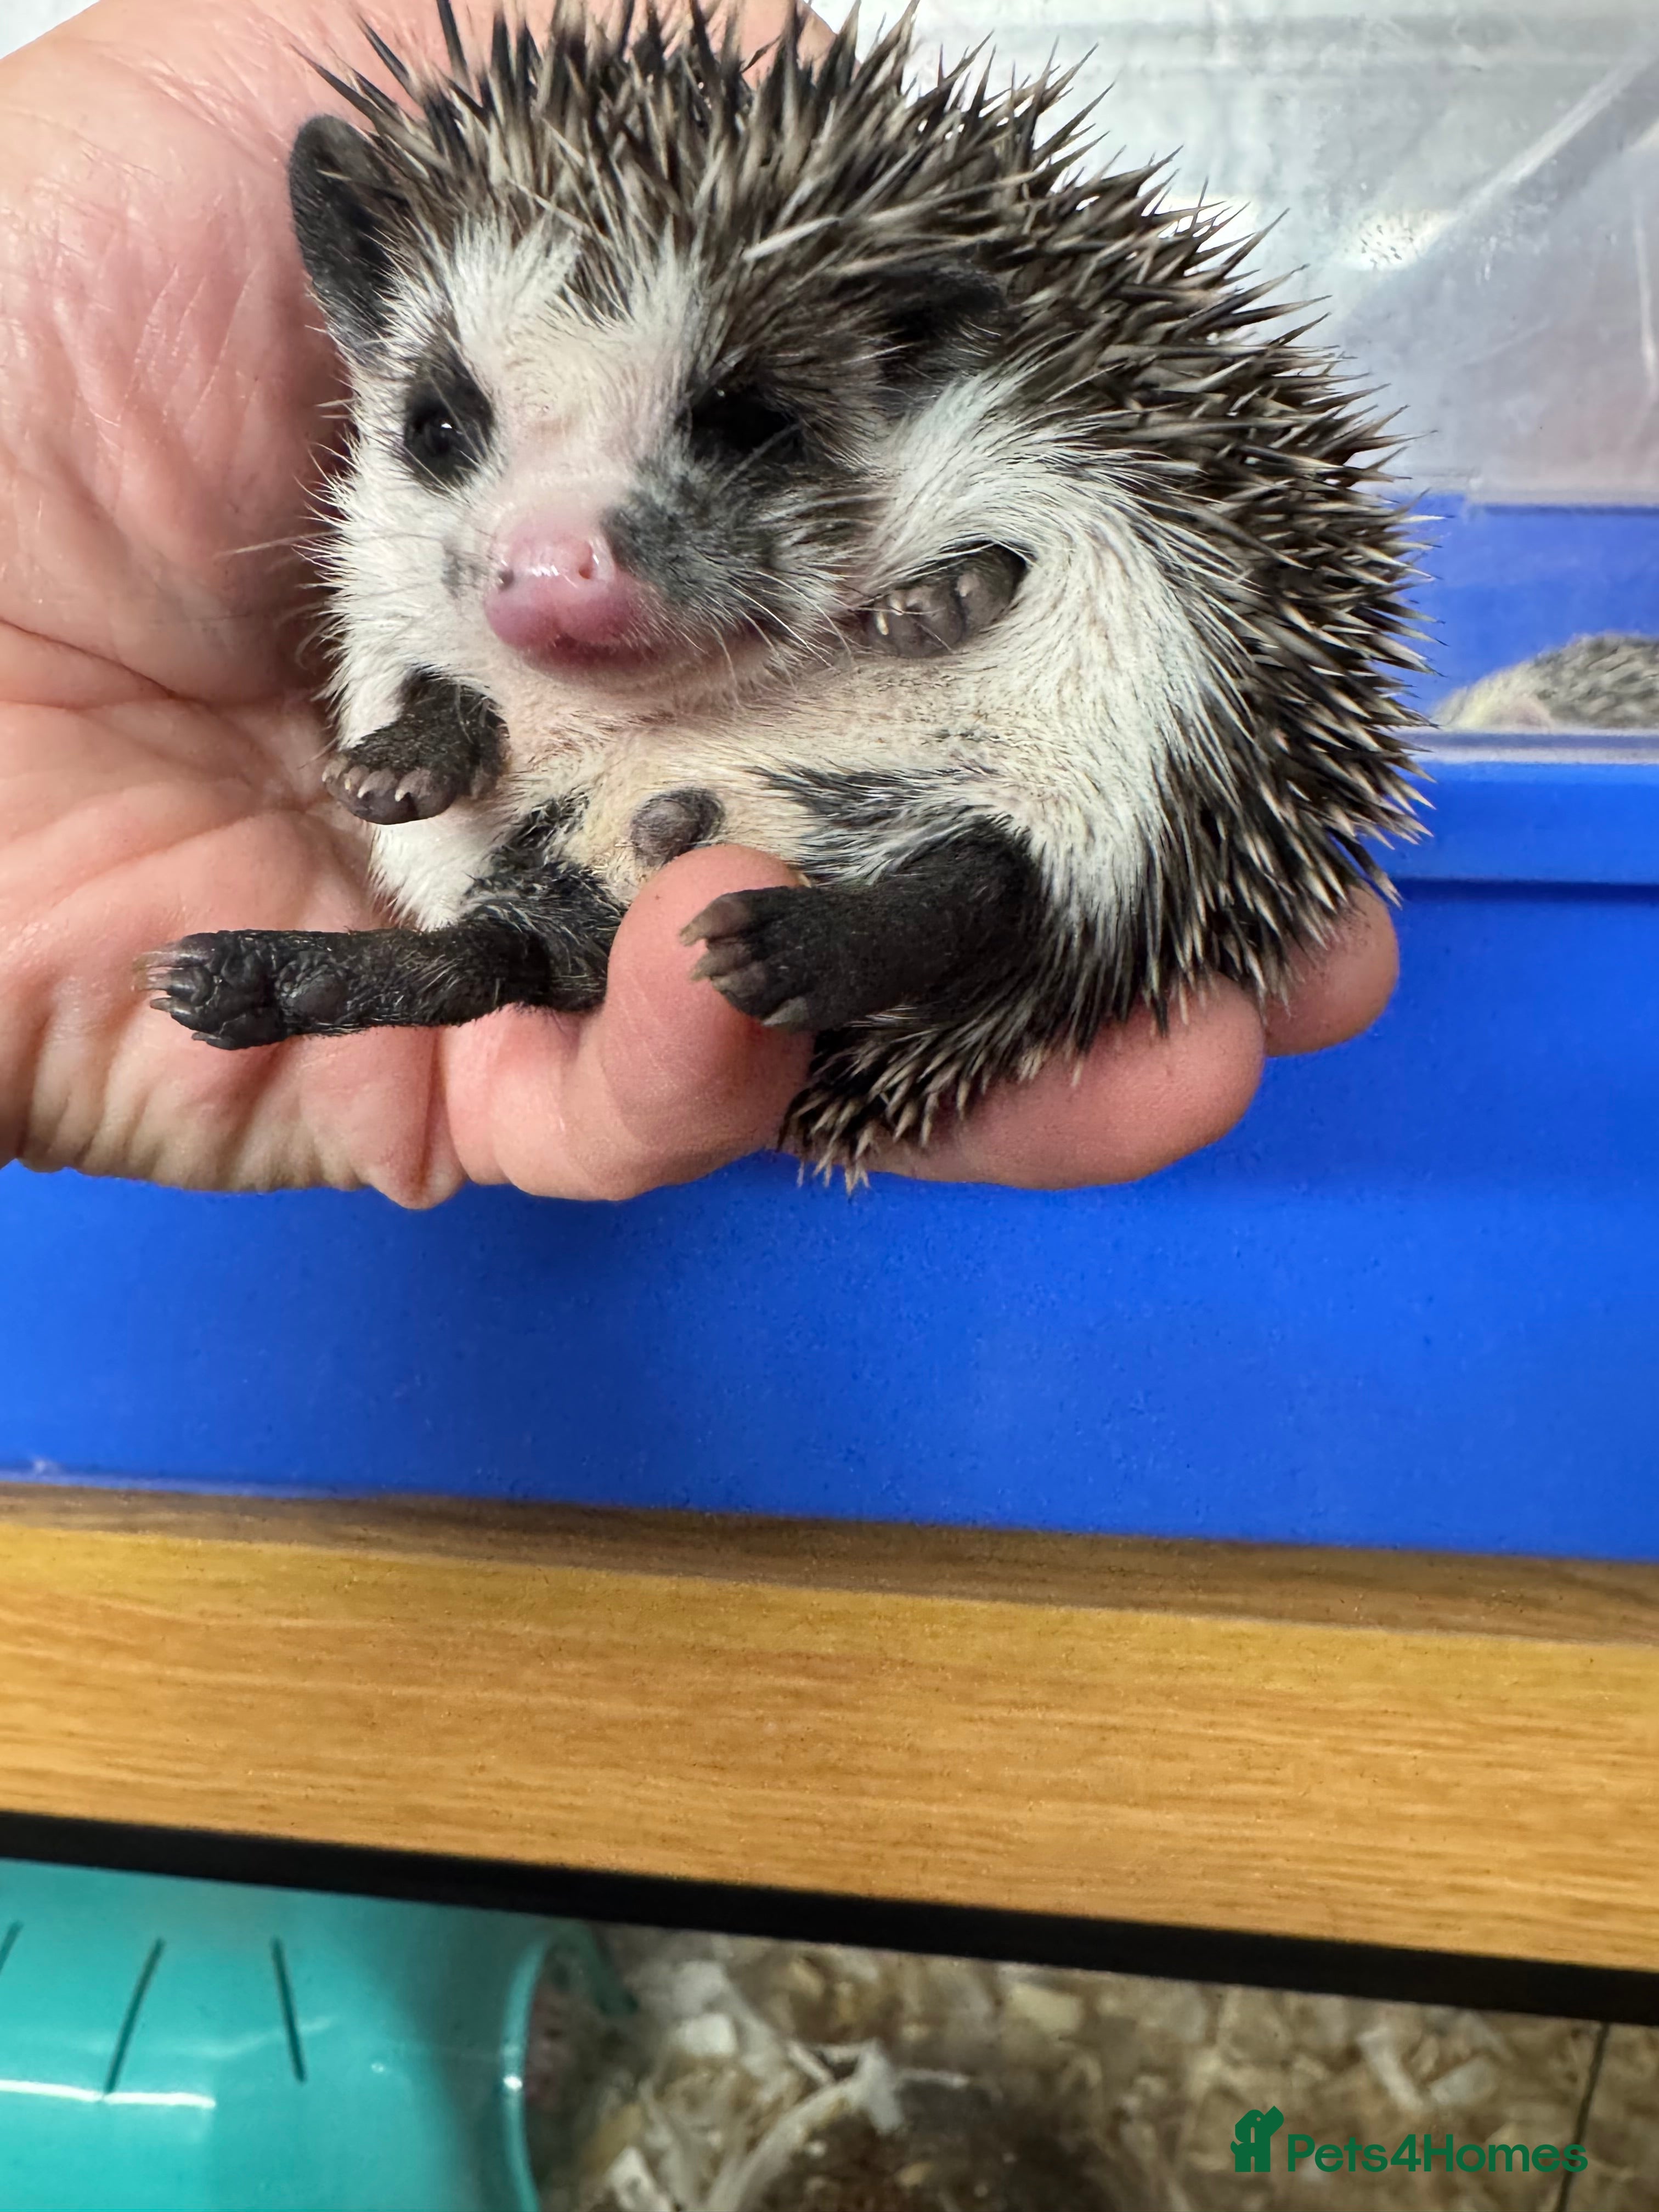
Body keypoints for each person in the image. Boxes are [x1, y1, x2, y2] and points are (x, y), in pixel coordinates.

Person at [0, 0, 1401, 1206]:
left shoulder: (990, 431)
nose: (549, 564)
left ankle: (893, 927)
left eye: (735, 424)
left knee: (1053, 792)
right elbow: (430, 662)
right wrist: (435, 723)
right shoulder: (414, 543)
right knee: (496, 880)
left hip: (960, 762)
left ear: (915, 350)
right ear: (369, 324)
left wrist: (961, 582)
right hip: (600, 808)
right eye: (445, 434)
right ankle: (456, 963)